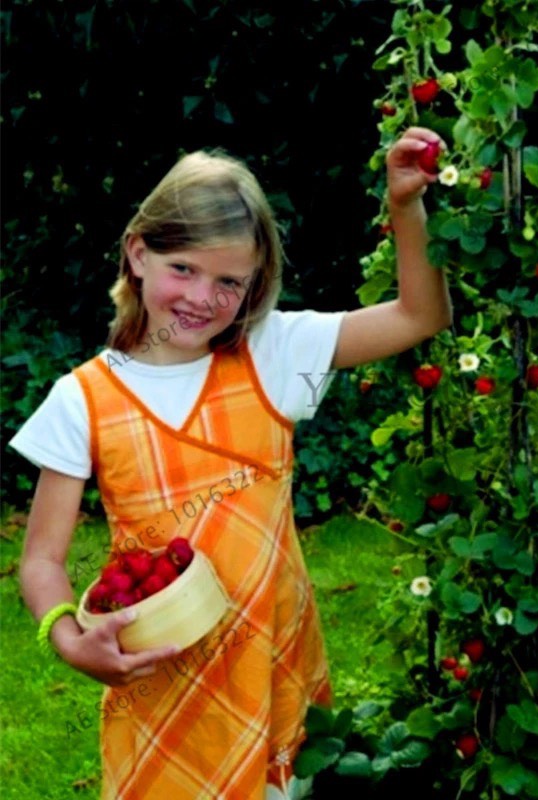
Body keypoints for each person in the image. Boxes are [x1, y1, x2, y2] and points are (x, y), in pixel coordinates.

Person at [10, 126, 452, 800]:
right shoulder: (84, 401)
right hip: (161, 678)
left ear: (254, 288)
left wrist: (404, 206)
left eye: (229, 282)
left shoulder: (274, 354)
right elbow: (41, 559)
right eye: (182, 267)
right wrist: (69, 638)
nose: (201, 297)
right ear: (138, 253)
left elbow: (420, 315)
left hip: (271, 668)